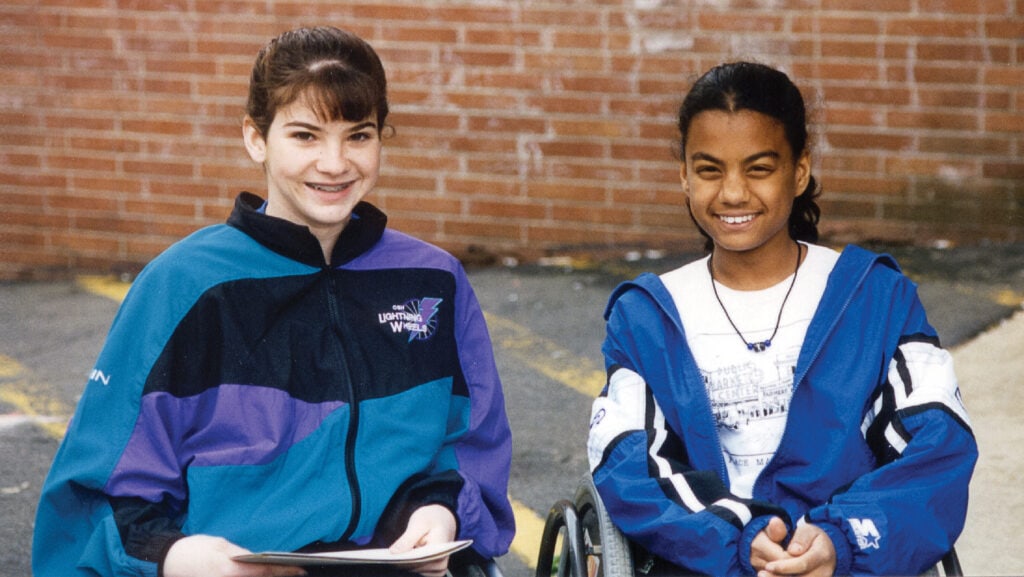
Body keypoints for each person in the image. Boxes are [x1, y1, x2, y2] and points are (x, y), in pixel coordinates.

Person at [33, 26, 514, 577]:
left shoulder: (434, 279)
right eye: (306, 136)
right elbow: (96, 494)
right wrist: (175, 557)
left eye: (358, 136)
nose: (335, 163)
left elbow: (473, 444)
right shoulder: (183, 286)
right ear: (256, 138)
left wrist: (441, 511)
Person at [586, 61, 977, 576]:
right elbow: (631, 467)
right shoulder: (646, 317)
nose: (732, 193)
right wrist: (739, 541)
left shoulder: (876, 298)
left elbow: (936, 445)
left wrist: (840, 539)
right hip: (709, 559)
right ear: (684, 175)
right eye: (709, 170)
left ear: (799, 171)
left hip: (845, 558)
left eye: (759, 169)